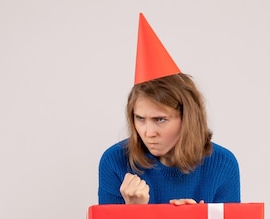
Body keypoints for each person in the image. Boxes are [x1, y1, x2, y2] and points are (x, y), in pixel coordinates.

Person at [98, 14, 240, 205]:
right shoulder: (115, 161)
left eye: (160, 120)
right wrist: (134, 211)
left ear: (187, 118)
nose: (148, 133)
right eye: (140, 118)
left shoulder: (223, 165)